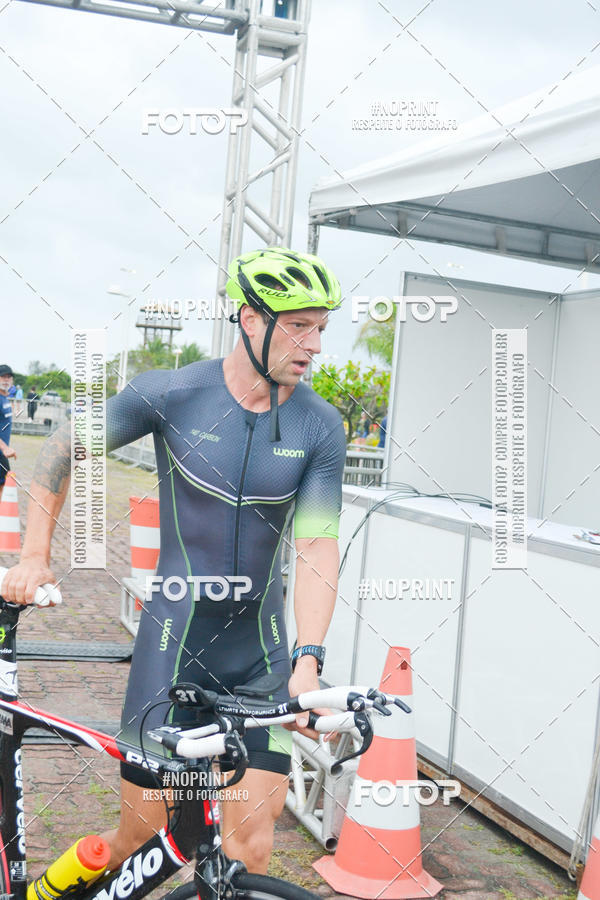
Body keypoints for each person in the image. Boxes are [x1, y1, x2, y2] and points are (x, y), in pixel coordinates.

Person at [3, 247, 346, 875]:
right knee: (140, 840)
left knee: (251, 845)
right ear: (250, 319)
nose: (315, 345)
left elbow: (318, 546)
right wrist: (33, 556)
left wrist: (308, 663)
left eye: (321, 328)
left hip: (262, 657)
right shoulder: (174, 392)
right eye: (300, 326)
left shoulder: (320, 426)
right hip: (173, 646)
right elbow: (64, 444)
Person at [0, 365, 17, 502]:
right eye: (3, 377)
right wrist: (5, 448)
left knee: (4, 484)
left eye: (9, 377)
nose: (6, 380)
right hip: (1, 451)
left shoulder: (5, 398)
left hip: (1, 453)